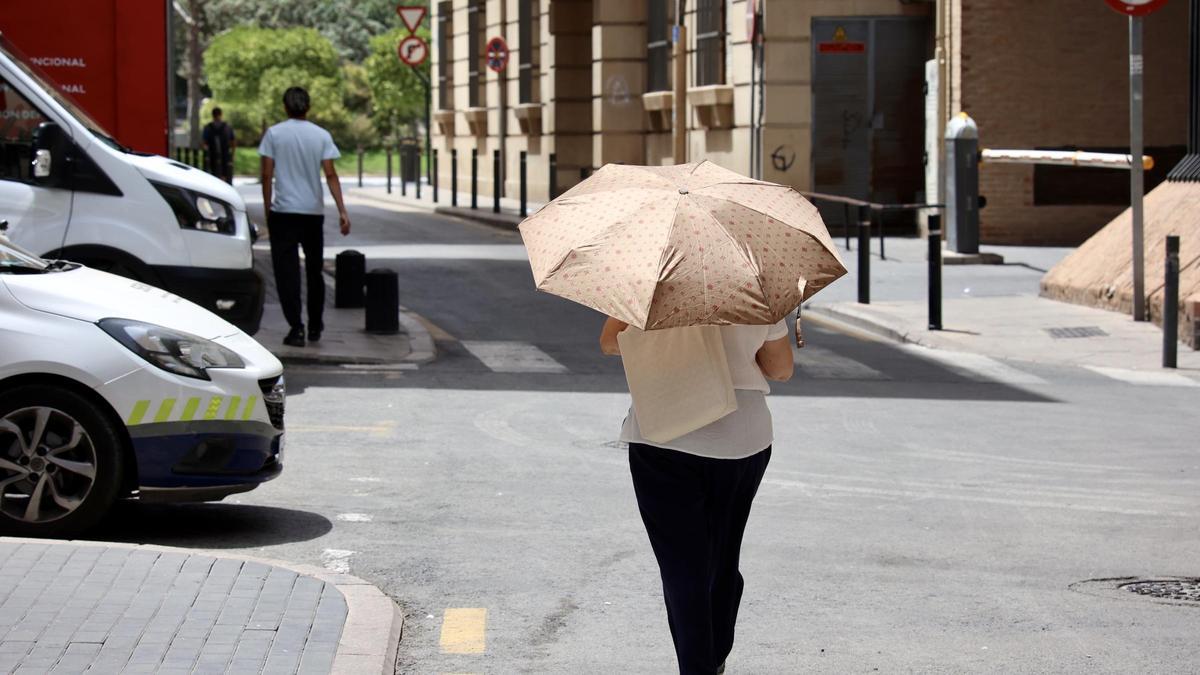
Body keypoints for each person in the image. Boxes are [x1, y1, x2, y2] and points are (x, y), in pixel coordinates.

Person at [600, 317, 794, 675]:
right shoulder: (754, 287)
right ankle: (714, 655)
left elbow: (611, 343)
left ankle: (699, 666)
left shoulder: (652, 283)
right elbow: (781, 368)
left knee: (682, 567)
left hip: (664, 435)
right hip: (741, 439)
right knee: (722, 557)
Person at [258, 86, 351, 347]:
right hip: (312, 213)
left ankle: (296, 327)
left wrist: (268, 209)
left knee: (287, 273)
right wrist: (342, 210)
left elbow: (267, 175)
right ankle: (315, 326)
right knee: (314, 271)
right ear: (308, 107)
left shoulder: (274, 134)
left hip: (284, 213)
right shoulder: (321, 135)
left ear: (285, 107)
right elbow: (330, 174)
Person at [201, 107, 235, 184]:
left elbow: (203, 143)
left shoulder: (208, 127)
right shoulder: (228, 127)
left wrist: (206, 154)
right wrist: (232, 155)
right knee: (226, 174)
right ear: (221, 114)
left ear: (212, 115)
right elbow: (233, 142)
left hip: (212, 155)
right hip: (225, 154)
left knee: (213, 174)